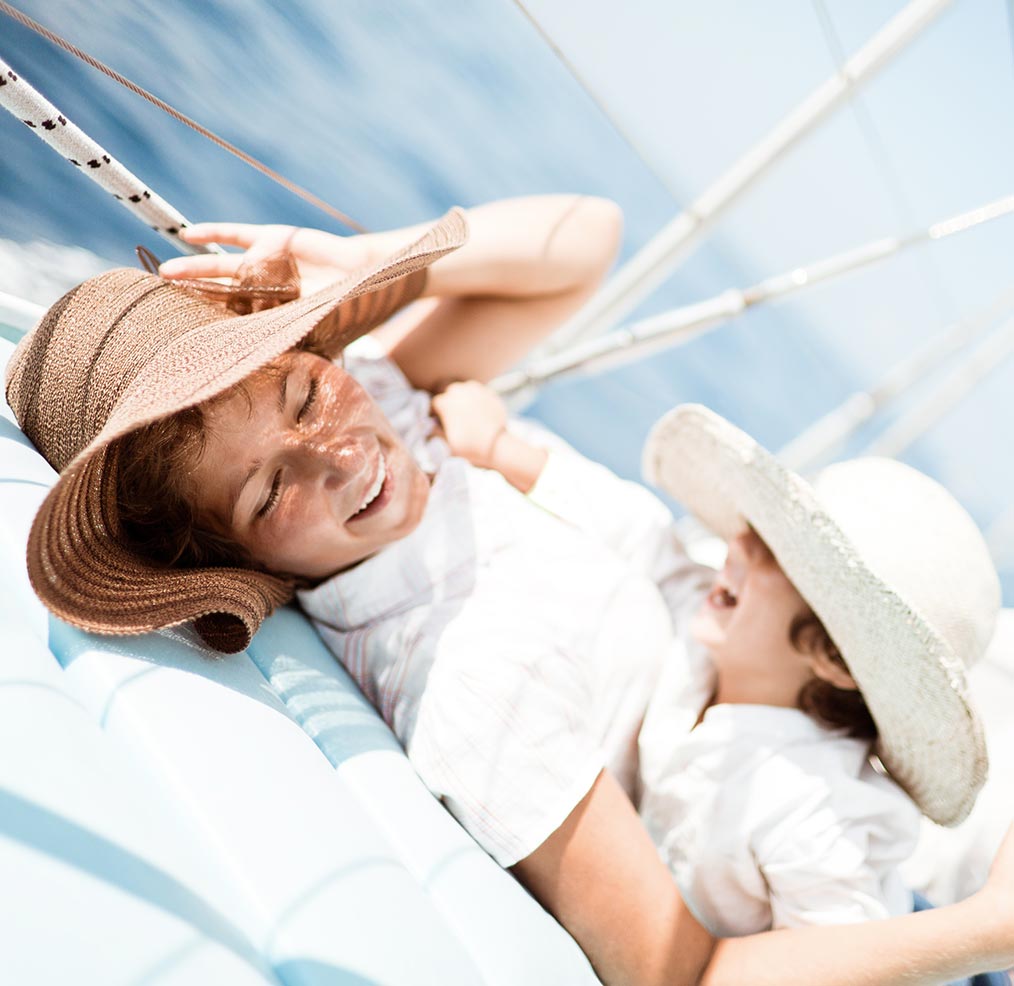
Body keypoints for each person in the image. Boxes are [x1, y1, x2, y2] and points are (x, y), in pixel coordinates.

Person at [6, 196, 1014, 986]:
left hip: (767, 725)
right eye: (271, 487)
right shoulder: (474, 677)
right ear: (240, 559)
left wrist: (365, 264)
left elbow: (584, 239)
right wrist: (980, 928)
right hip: (772, 836)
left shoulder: (392, 414)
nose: (338, 456)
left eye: (308, 389)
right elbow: (684, 969)